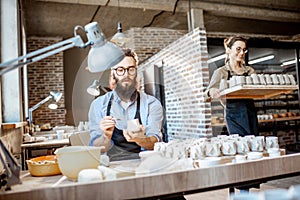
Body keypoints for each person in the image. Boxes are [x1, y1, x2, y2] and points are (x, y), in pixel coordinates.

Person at [88, 48, 163, 161]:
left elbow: (155, 143)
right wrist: (106, 136)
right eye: (120, 70)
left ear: (136, 72)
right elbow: (97, 148)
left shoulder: (152, 104)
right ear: (113, 73)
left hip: (145, 164)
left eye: (131, 69)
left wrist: (141, 139)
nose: (126, 75)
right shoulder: (98, 105)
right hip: (111, 167)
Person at [205, 36, 259, 136]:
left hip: (250, 112)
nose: (242, 53)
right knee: (241, 145)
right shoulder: (221, 72)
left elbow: (257, 89)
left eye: (244, 50)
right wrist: (212, 91)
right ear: (229, 50)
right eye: (238, 49)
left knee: (255, 143)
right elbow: (206, 94)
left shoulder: (250, 71)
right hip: (233, 115)